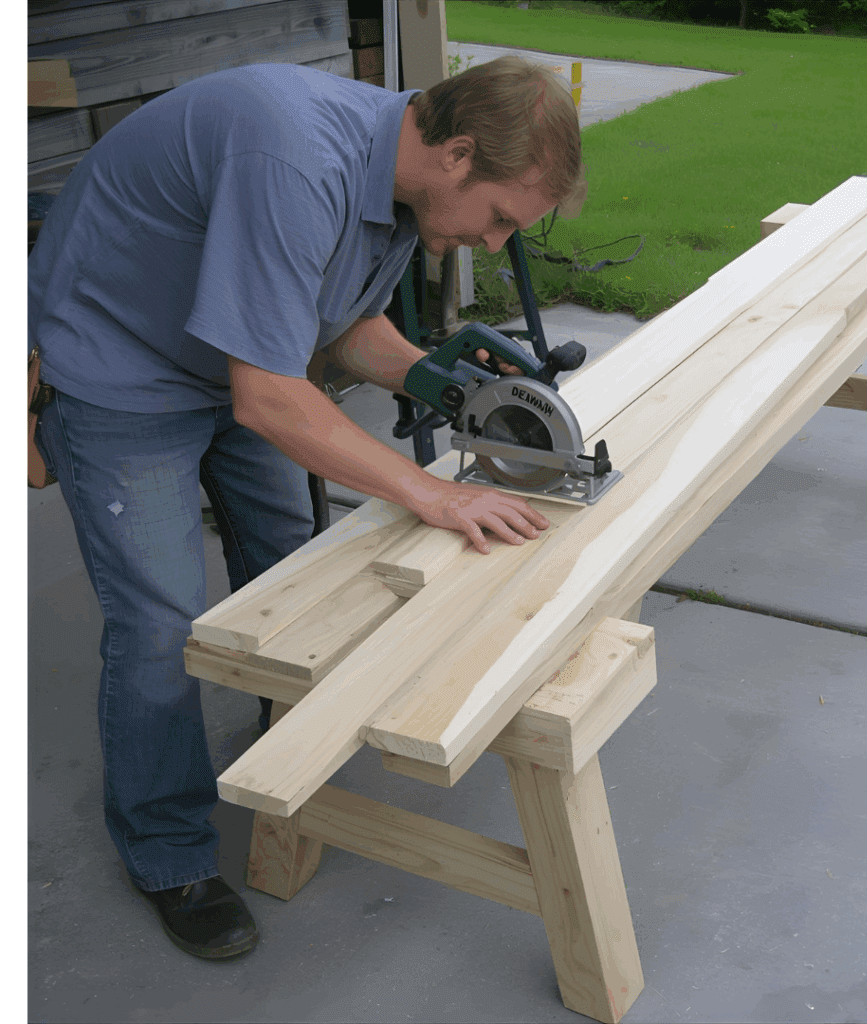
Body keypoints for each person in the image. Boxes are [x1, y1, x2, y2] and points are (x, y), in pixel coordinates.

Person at [28, 55, 585, 961]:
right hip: (121, 363)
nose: (493, 244)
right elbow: (271, 397)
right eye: (498, 219)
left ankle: (282, 761)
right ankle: (169, 853)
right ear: (457, 153)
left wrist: (439, 382)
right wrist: (432, 493)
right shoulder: (293, 158)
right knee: (165, 622)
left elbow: (338, 323)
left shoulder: (399, 184)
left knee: (294, 568)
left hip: (230, 355)